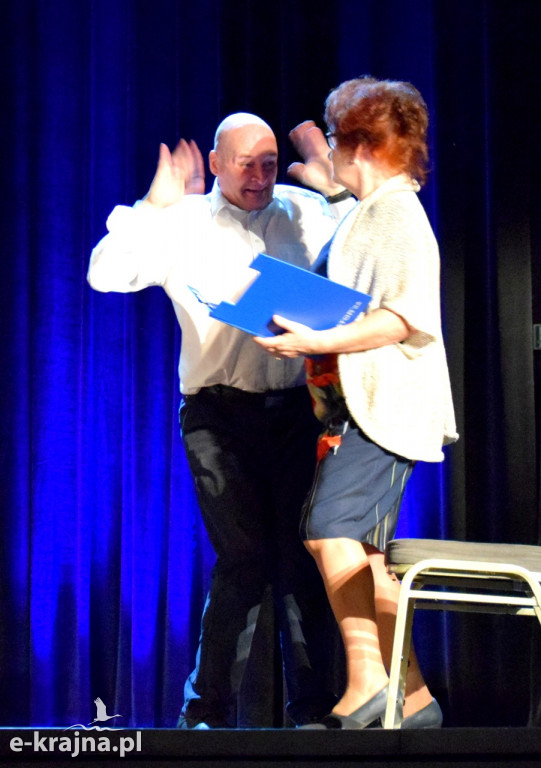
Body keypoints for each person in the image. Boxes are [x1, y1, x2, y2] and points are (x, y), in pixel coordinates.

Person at [87, 112, 353, 728]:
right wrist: (152, 207)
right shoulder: (181, 222)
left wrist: (336, 189)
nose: (259, 177)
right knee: (244, 555)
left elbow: (368, 259)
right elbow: (104, 273)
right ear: (214, 164)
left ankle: (314, 711)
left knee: (301, 558)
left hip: (296, 412)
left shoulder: (303, 211)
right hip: (217, 414)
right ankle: (205, 713)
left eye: (268, 164)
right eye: (245, 165)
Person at [255, 78, 458, 729]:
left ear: (363, 145)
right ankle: (414, 696)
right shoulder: (371, 208)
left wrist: (313, 339)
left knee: (329, 530)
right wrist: (324, 171)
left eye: (337, 137)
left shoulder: (397, 214)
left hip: (386, 407)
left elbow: (400, 317)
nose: (331, 149)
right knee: (365, 553)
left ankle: (369, 682)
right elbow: (353, 270)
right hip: (359, 405)